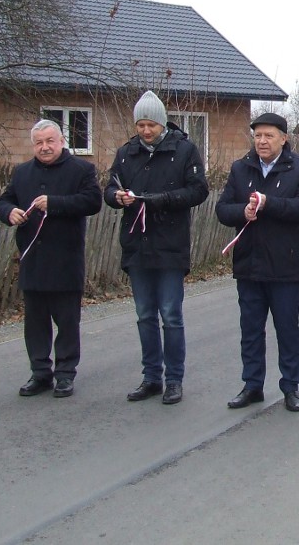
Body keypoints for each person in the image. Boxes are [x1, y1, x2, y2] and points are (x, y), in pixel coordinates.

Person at [104, 90, 209, 405]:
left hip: (170, 245)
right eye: (141, 125)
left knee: (171, 315)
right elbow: (110, 186)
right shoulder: (126, 153)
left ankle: (173, 379)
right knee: (144, 314)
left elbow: (199, 191)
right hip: (137, 246)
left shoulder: (185, 150)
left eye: (151, 124)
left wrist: (162, 200)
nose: (146, 131)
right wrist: (117, 197)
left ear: (162, 123)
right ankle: (151, 377)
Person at [216, 112, 299, 413]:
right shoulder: (240, 168)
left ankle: (290, 386)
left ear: (284, 139)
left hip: (285, 264)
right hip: (249, 263)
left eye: (268, 135)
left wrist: (268, 203)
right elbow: (223, 209)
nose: (262, 141)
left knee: (287, 328)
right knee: (250, 329)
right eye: (258, 135)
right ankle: (252, 385)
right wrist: (242, 213)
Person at [0, 119, 102, 397]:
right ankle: (40, 372)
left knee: (67, 322)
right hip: (33, 261)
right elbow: (3, 201)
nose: (44, 147)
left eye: (49, 141)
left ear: (61, 140)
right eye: (39, 143)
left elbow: (92, 202)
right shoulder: (22, 173)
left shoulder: (82, 169)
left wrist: (55, 203)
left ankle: (65, 373)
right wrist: (9, 213)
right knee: (35, 323)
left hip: (65, 260)